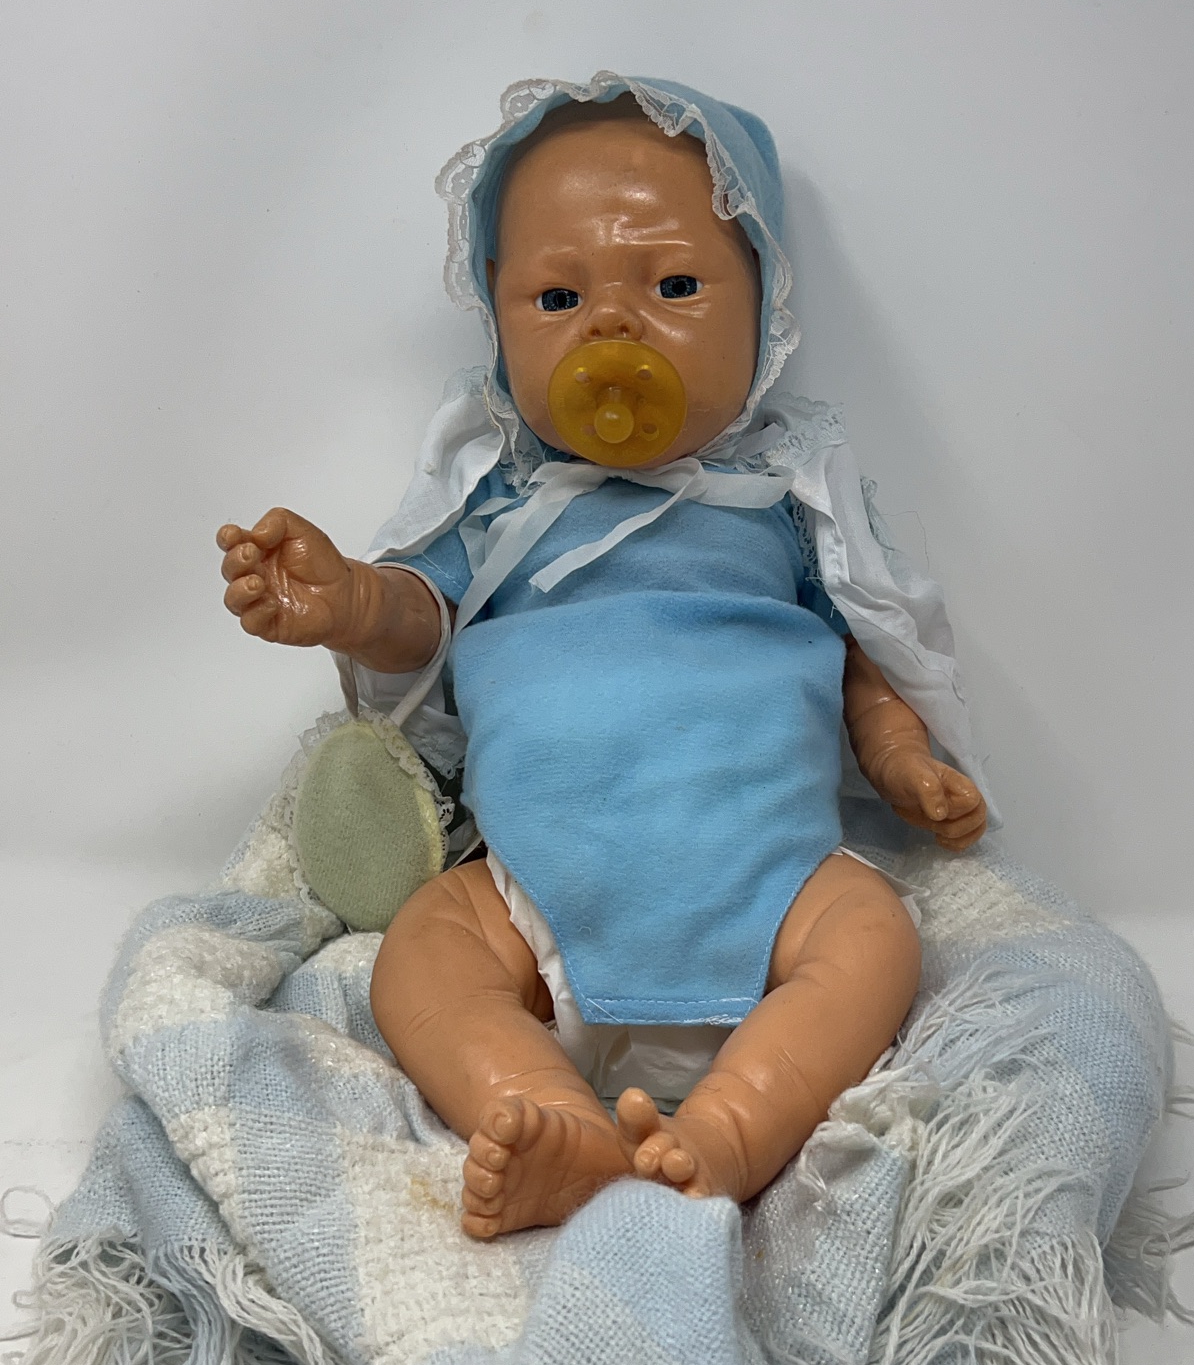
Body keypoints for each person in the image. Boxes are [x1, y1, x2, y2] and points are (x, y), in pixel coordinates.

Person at [218, 79, 987, 1238]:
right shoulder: (503, 507)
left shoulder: (781, 510)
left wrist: (902, 761)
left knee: (874, 940)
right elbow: (423, 622)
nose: (610, 329)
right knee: (419, 958)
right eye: (557, 295)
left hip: (769, 893)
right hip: (534, 903)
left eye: (672, 286)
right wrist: (350, 600)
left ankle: (728, 1131)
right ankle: (544, 1115)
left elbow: (859, 662)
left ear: (762, 304)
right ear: (498, 319)